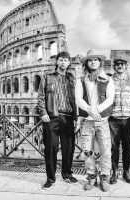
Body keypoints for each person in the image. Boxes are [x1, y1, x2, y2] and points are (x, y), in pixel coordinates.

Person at [75, 49, 115, 192]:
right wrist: (90, 110)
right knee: (88, 151)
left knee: (105, 151)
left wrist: (97, 110)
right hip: (87, 120)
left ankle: (104, 177)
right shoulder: (80, 80)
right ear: (86, 63)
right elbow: (78, 99)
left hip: (102, 120)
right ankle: (91, 176)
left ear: (100, 62)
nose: (93, 62)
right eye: (90, 60)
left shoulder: (107, 79)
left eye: (95, 59)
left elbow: (110, 98)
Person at [38, 51, 78, 189]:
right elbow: (41, 97)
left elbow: (76, 100)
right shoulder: (47, 77)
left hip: (68, 117)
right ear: (57, 62)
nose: (63, 62)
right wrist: (43, 112)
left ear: (69, 63)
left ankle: (67, 174)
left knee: (68, 149)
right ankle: (50, 178)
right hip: (51, 117)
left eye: (66, 60)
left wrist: (76, 118)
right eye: (61, 60)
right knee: (51, 149)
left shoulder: (71, 78)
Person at [108, 57, 130, 184]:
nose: (120, 66)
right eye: (117, 64)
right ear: (114, 66)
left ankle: (126, 171)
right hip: (113, 118)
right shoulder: (109, 80)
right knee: (114, 148)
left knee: (127, 147)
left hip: (129, 118)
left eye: (122, 64)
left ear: (126, 66)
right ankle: (114, 172)